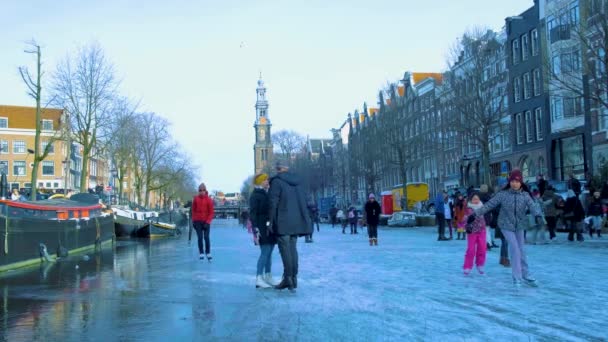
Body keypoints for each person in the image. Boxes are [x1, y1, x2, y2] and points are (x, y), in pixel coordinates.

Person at [470, 169, 543, 287]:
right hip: (505, 225)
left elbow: (533, 206)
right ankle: (517, 276)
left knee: (522, 250)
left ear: (521, 183)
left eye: (517, 181)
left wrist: (538, 215)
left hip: (519, 225)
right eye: (512, 181)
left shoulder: (525, 195)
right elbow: (489, 205)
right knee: (514, 247)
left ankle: (526, 274)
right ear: (509, 182)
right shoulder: (503, 195)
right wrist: (475, 214)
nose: (515, 183)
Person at [268, 160, 312, 292]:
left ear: (278, 169)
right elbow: (304, 200)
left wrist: (270, 221)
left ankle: (288, 279)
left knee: (285, 250)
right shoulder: (298, 182)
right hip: (297, 221)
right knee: (293, 250)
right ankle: (293, 277)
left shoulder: (276, 182)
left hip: (283, 221)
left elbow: (272, 203)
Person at [249, 173, 277, 289]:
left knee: (269, 251)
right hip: (261, 226)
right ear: (260, 182)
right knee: (265, 251)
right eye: (265, 180)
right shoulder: (255, 195)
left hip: (269, 226)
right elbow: (253, 213)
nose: (267, 181)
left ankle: (268, 275)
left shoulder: (266, 193)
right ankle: (259, 277)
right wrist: (255, 229)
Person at [463, 193, 487, 275]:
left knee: (482, 248)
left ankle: (480, 264)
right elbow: (464, 219)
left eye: (477, 199)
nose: (476, 201)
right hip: (472, 231)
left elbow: (487, 217)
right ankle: (467, 266)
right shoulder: (468, 208)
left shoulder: (483, 207)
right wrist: (467, 223)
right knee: (471, 250)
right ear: (471, 200)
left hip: (482, 230)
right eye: (474, 199)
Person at [192, 183, 215, 260]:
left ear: (205, 191)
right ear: (198, 191)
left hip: (206, 222)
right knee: (200, 237)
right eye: (200, 190)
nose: (201, 192)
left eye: (203, 190)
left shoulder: (209, 200)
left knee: (206, 237)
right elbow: (193, 211)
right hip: (198, 221)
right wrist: (194, 221)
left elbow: (211, 212)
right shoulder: (196, 199)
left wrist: (208, 222)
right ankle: (201, 252)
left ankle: (208, 252)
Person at [479, 185, 498, 249]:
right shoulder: (489, 197)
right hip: (488, 215)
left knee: (483, 231)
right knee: (488, 230)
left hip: (482, 216)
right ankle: (489, 243)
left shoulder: (479, 197)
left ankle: (486, 244)